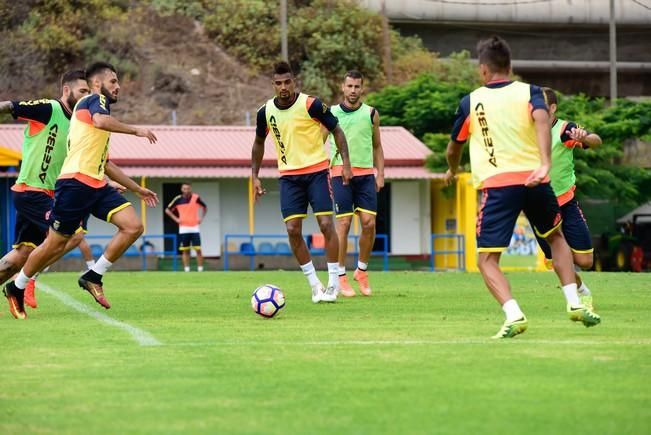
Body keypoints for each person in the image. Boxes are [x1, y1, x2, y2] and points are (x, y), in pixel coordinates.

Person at [444, 36, 601, 338]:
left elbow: (454, 149)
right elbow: (542, 120)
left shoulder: (471, 101)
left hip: (499, 185)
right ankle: (573, 301)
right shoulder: (530, 92)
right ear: (511, 66)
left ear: (483, 70)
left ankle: (514, 314)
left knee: (487, 259)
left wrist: (452, 169)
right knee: (556, 239)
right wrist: (544, 163)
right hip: (535, 180)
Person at [3, 62, 159, 319]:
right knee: (55, 244)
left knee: (133, 226)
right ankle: (17, 286)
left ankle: (93, 275)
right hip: (74, 184)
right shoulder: (95, 102)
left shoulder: (87, 115)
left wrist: (137, 189)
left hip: (95, 184)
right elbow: (100, 121)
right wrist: (136, 130)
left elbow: (106, 164)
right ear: (98, 85)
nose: (118, 87)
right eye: (113, 82)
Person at [251, 61, 352, 303]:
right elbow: (258, 143)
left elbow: (337, 130)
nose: (283, 87)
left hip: (317, 172)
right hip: (289, 177)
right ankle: (314, 285)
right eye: (278, 83)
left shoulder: (311, 104)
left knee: (326, 224)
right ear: (273, 85)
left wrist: (346, 163)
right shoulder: (265, 112)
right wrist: (254, 176)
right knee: (292, 230)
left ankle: (333, 283)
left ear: (294, 82)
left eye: (287, 82)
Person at [0, 70, 92, 311]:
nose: (86, 97)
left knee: (21, 256)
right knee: (73, 235)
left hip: (49, 194)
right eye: (82, 91)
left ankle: (21, 279)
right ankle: (26, 282)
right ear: (66, 90)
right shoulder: (49, 108)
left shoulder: (78, 124)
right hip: (32, 191)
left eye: (89, 93)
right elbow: (10, 106)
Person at [534, 87, 602, 309]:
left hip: (566, 202)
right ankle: (581, 292)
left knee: (585, 261)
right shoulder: (527, 130)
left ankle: (579, 285)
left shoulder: (564, 129)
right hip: (540, 204)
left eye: (541, 104)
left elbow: (596, 140)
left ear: (552, 108)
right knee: (558, 261)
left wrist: (586, 137)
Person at [327, 70, 384, 297]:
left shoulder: (371, 114)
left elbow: (377, 146)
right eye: (349, 86)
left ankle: (361, 271)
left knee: (369, 223)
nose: (353, 91)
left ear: (362, 88)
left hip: (365, 175)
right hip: (340, 173)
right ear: (342, 87)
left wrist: (380, 173)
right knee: (343, 225)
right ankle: (340, 276)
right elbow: (320, 141)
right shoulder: (330, 114)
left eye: (357, 87)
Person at [165, 182, 207, 272]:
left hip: (195, 227)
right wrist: (176, 219)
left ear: (190, 189)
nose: (186, 190)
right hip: (183, 228)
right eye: (184, 189)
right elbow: (167, 210)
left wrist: (201, 218)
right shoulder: (178, 199)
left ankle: (200, 269)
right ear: (181, 189)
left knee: (198, 249)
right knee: (185, 250)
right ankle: (186, 269)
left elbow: (205, 207)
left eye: (188, 188)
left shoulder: (196, 198)